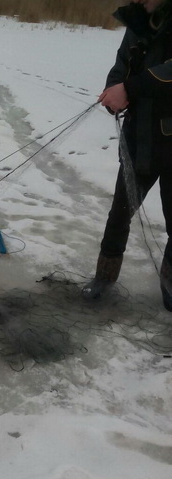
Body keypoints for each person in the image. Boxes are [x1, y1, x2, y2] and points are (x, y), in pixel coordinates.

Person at [82, 0, 172, 310]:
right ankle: (104, 278)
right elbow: (121, 68)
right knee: (119, 213)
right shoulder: (137, 21)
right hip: (139, 140)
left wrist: (130, 89)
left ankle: (170, 284)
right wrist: (114, 92)